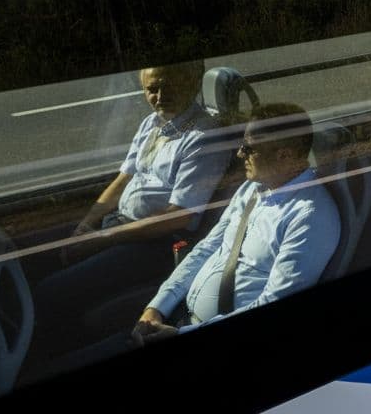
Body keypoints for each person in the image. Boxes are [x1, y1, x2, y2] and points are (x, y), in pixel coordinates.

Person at [30, 62, 231, 349]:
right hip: (121, 225)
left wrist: (100, 239)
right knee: (38, 261)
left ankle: (63, 356)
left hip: (156, 244)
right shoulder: (152, 123)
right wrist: (86, 225)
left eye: (168, 86)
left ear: (191, 83)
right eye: (152, 89)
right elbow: (123, 179)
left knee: (50, 292)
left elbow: (179, 217)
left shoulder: (202, 137)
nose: (160, 97)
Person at [131, 103, 341, 341]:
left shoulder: (309, 217)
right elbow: (207, 248)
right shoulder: (251, 189)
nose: (240, 154)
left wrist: (182, 334)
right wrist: (157, 308)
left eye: (249, 148)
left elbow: (274, 304)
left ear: (284, 155)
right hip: (180, 316)